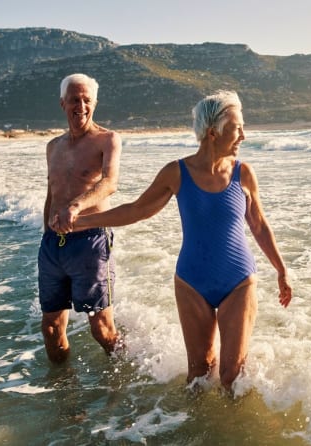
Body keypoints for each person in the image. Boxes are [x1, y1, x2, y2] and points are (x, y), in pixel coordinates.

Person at [67, 90, 292, 389]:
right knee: (198, 375)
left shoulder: (243, 173)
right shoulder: (177, 172)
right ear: (213, 132)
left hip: (238, 282)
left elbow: (259, 225)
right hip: (191, 283)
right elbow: (137, 210)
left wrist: (281, 269)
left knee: (231, 377)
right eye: (238, 128)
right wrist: (80, 223)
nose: (244, 136)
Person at [38, 73, 123, 363]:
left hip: (90, 241)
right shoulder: (53, 146)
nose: (81, 106)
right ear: (63, 103)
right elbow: (51, 193)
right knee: (50, 328)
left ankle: (125, 383)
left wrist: (76, 206)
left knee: (101, 329)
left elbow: (110, 182)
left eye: (87, 100)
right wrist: (45, 235)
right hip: (53, 246)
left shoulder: (107, 140)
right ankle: (64, 396)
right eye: (75, 100)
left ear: (95, 103)